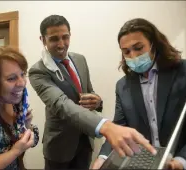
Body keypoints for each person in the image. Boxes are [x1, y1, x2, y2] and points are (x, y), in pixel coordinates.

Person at [28, 15, 156, 170]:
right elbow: (60, 104)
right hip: (60, 145)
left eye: (65, 37)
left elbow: (89, 92)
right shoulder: (38, 71)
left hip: (85, 141)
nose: (61, 44)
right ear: (43, 40)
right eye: (54, 39)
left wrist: (98, 101)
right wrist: (105, 126)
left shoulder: (80, 59)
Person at [92, 18, 186, 170]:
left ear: (154, 44)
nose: (133, 56)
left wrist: (180, 162)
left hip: (185, 162)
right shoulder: (123, 86)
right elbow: (119, 128)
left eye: (138, 48)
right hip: (144, 164)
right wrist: (102, 158)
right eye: (126, 52)